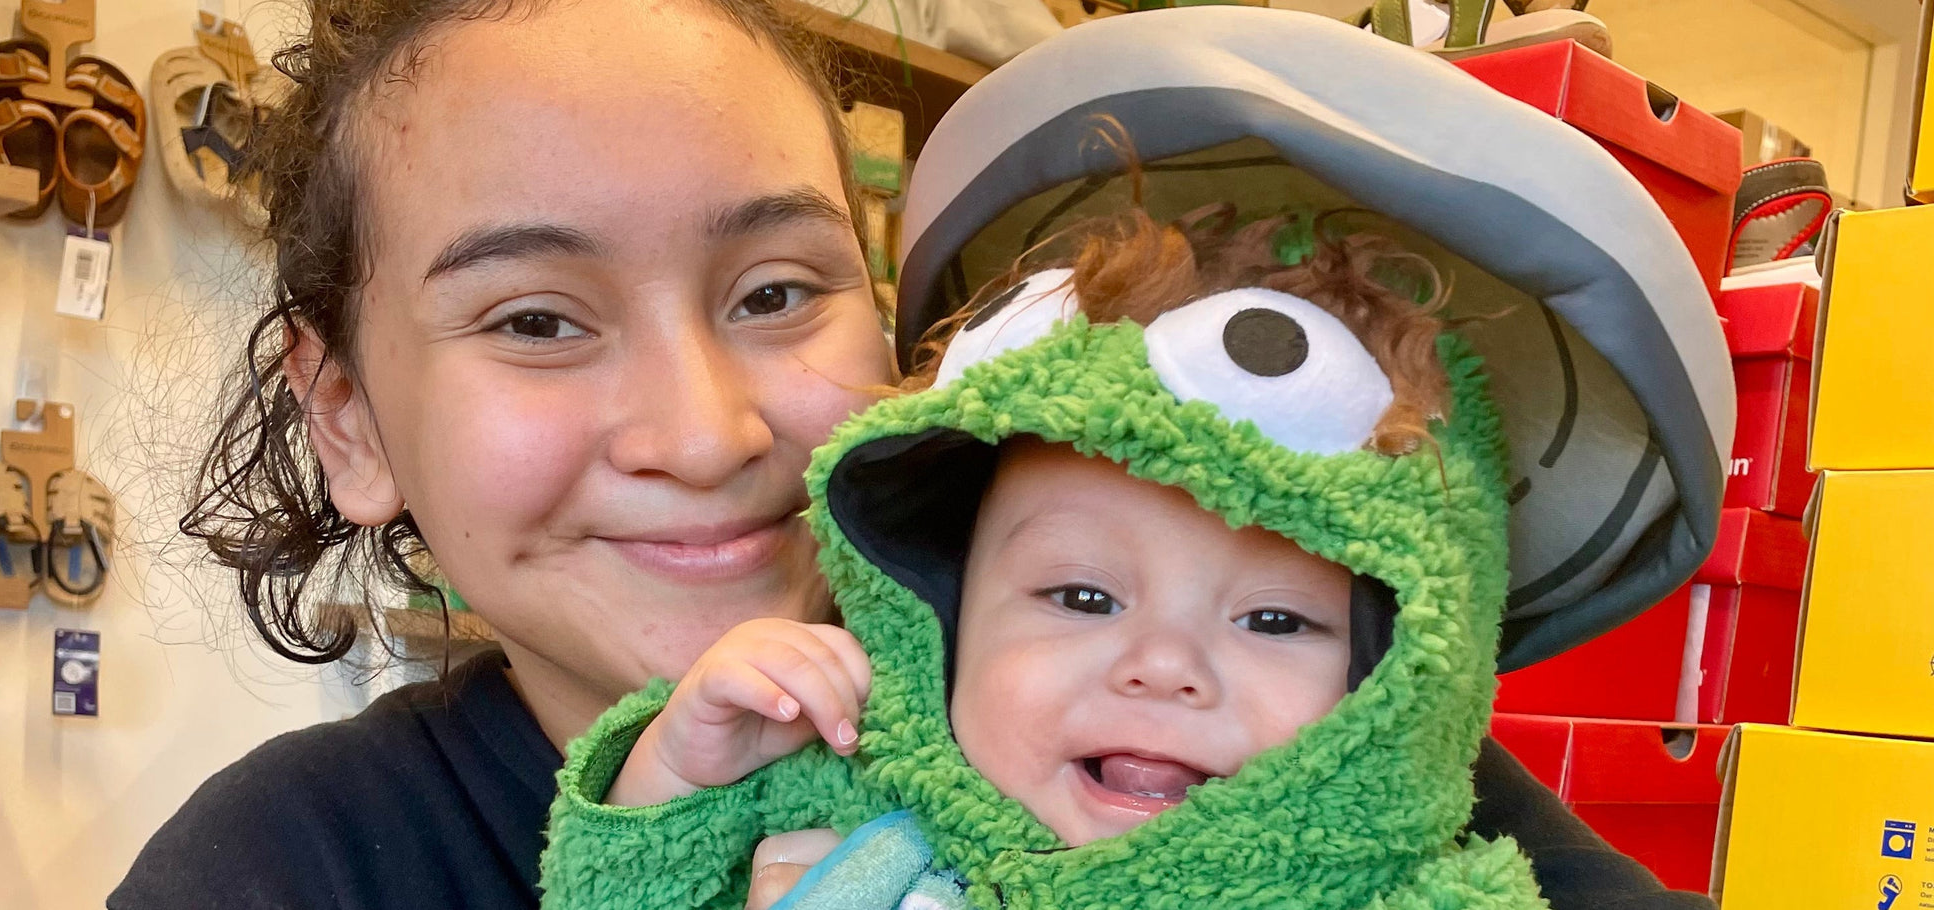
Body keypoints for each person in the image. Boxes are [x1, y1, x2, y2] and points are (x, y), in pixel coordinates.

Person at [108, 0, 1716, 907]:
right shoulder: (285, 874)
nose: (706, 430)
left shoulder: (1307, 769)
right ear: (349, 419)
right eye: (535, 319)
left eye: (777, 291)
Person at [542, 207, 1551, 909]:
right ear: (936, 622)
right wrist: (672, 782)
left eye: (1274, 620)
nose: (1161, 665)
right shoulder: (850, 810)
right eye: (1080, 594)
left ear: (1401, 678)